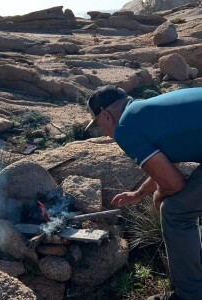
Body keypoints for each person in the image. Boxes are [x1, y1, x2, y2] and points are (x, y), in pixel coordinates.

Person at [85, 85, 202, 300]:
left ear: (105, 115)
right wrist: (140, 193)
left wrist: (160, 198)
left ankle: (190, 295)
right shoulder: (146, 110)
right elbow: (167, 160)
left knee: (175, 212)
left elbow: (174, 183)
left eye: (98, 125)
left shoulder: (125, 127)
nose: (102, 132)